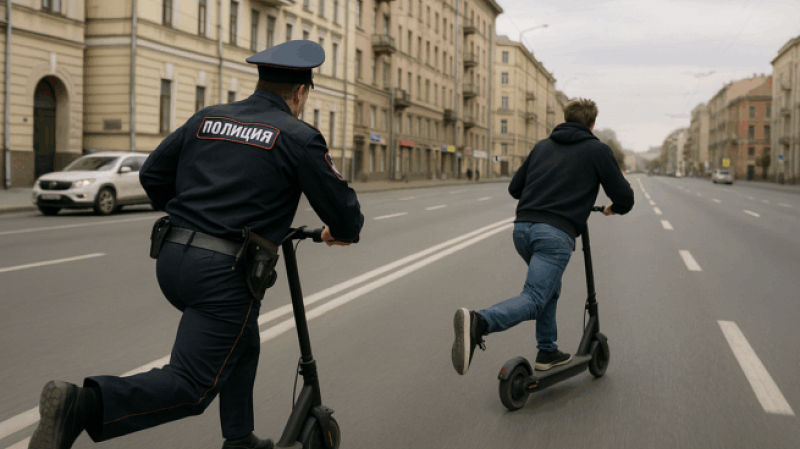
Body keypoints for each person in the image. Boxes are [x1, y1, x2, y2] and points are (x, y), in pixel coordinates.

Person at [28, 40, 364, 449]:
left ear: (261, 83)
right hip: (222, 274)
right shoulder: (297, 135)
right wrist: (338, 231)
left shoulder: (208, 117)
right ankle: (85, 404)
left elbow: (152, 175)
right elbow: (345, 215)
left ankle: (240, 438)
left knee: (243, 337)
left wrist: (198, 213)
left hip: (172, 258)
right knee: (193, 385)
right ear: (300, 93)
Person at [451, 98, 633, 376]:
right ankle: (480, 322)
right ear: (592, 123)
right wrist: (614, 208)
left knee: (550, 288)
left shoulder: (542, 146)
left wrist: (544, 192)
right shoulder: (597, 150)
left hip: (522, 230)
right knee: (536, 297)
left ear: (565, 118)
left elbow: (515, 188)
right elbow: (624, 197)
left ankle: (547, 350)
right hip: (554, 235)